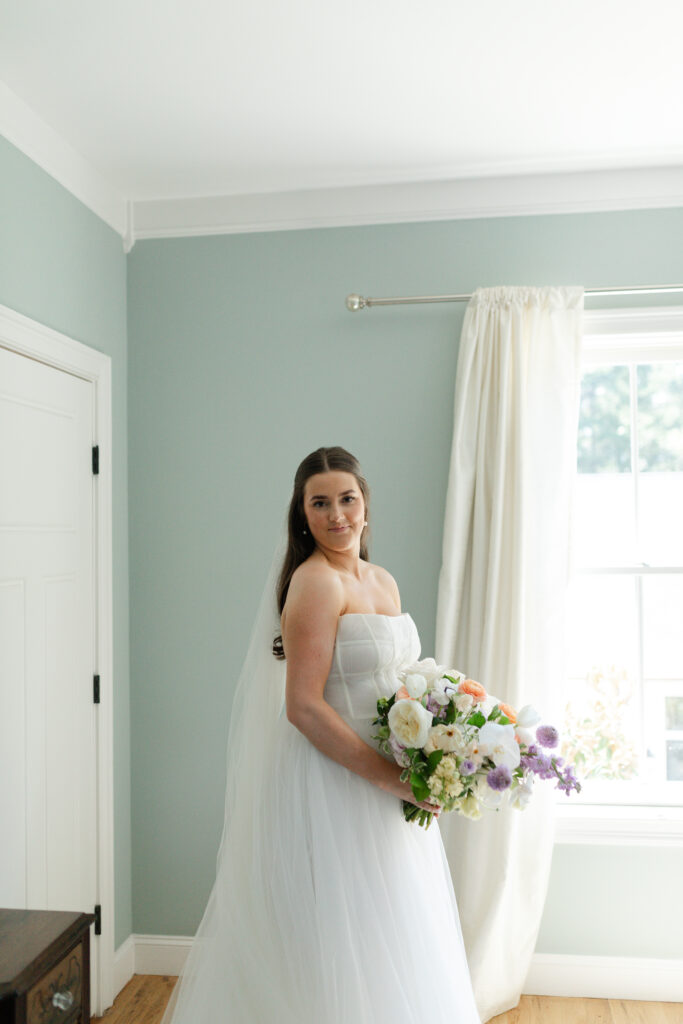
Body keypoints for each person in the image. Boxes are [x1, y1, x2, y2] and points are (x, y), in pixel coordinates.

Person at [161, 446, 481, 1024]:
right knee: (336, 934)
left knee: (390, 925)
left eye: (347, 499)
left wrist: (438, 742)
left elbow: (402, 684)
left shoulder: (381, 580)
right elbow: (304, 708)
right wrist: (392, 778)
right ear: (302, 515)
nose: (337, 514)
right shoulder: (315, 583)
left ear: (365, 505)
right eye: (320, 503)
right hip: (334, 780)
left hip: (388, 777)